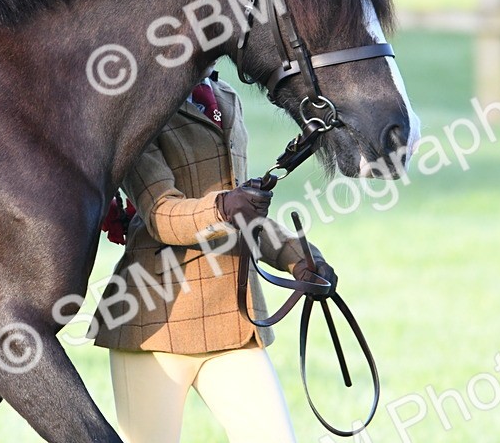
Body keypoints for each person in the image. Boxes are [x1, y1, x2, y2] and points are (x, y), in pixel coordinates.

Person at [93, 69, 336, 443]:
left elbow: (244, 217)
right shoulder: (139, 106)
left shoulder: (225, 98)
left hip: (233, 322)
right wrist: (224, 206)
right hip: (155, 323)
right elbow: (161, 215)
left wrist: (299, 258)